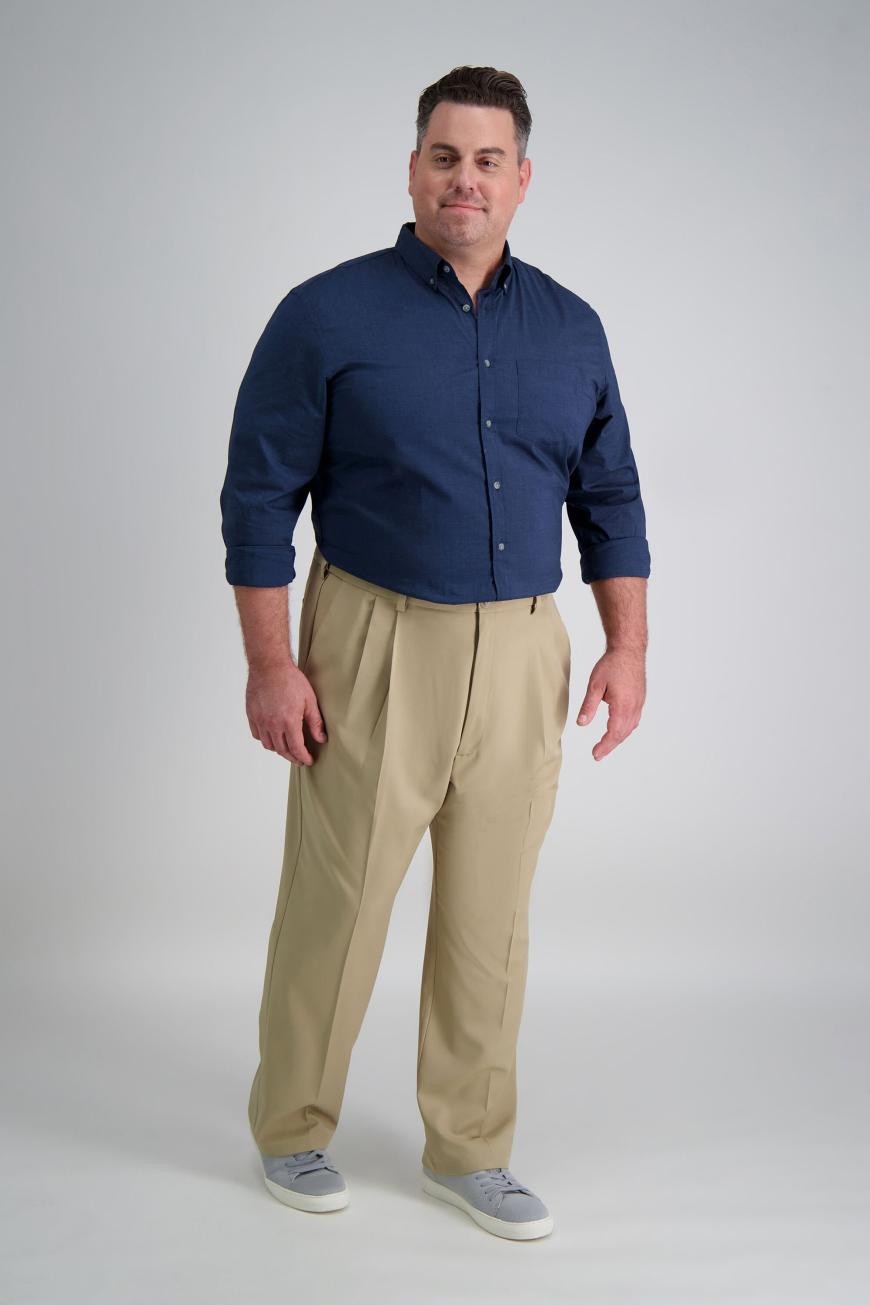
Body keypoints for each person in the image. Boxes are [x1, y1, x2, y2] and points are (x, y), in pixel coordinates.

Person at [219, 65, 650, 1241]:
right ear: (414, 170)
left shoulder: (571, 328)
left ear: (522, 179)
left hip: (521, 652)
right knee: (338, 901)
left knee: (489, 918)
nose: (467, 179)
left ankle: (471, 1150)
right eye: (446, 157)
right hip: (372, 641)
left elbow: (610, 497)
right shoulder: (327, 314)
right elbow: (257, 498)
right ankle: (291, 1127)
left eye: (488, 160)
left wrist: (626, 649)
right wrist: (271, 664)